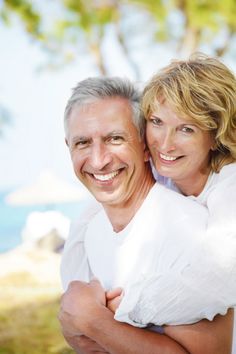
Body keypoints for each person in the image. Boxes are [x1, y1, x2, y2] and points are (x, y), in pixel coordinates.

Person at [59, 76, 233, 354]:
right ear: (68, 146)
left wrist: (94, 322)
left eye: (114, 138)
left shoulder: (189, 231)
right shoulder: (91, 231)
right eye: (82, 143)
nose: (98, 160)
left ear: (143, 146)